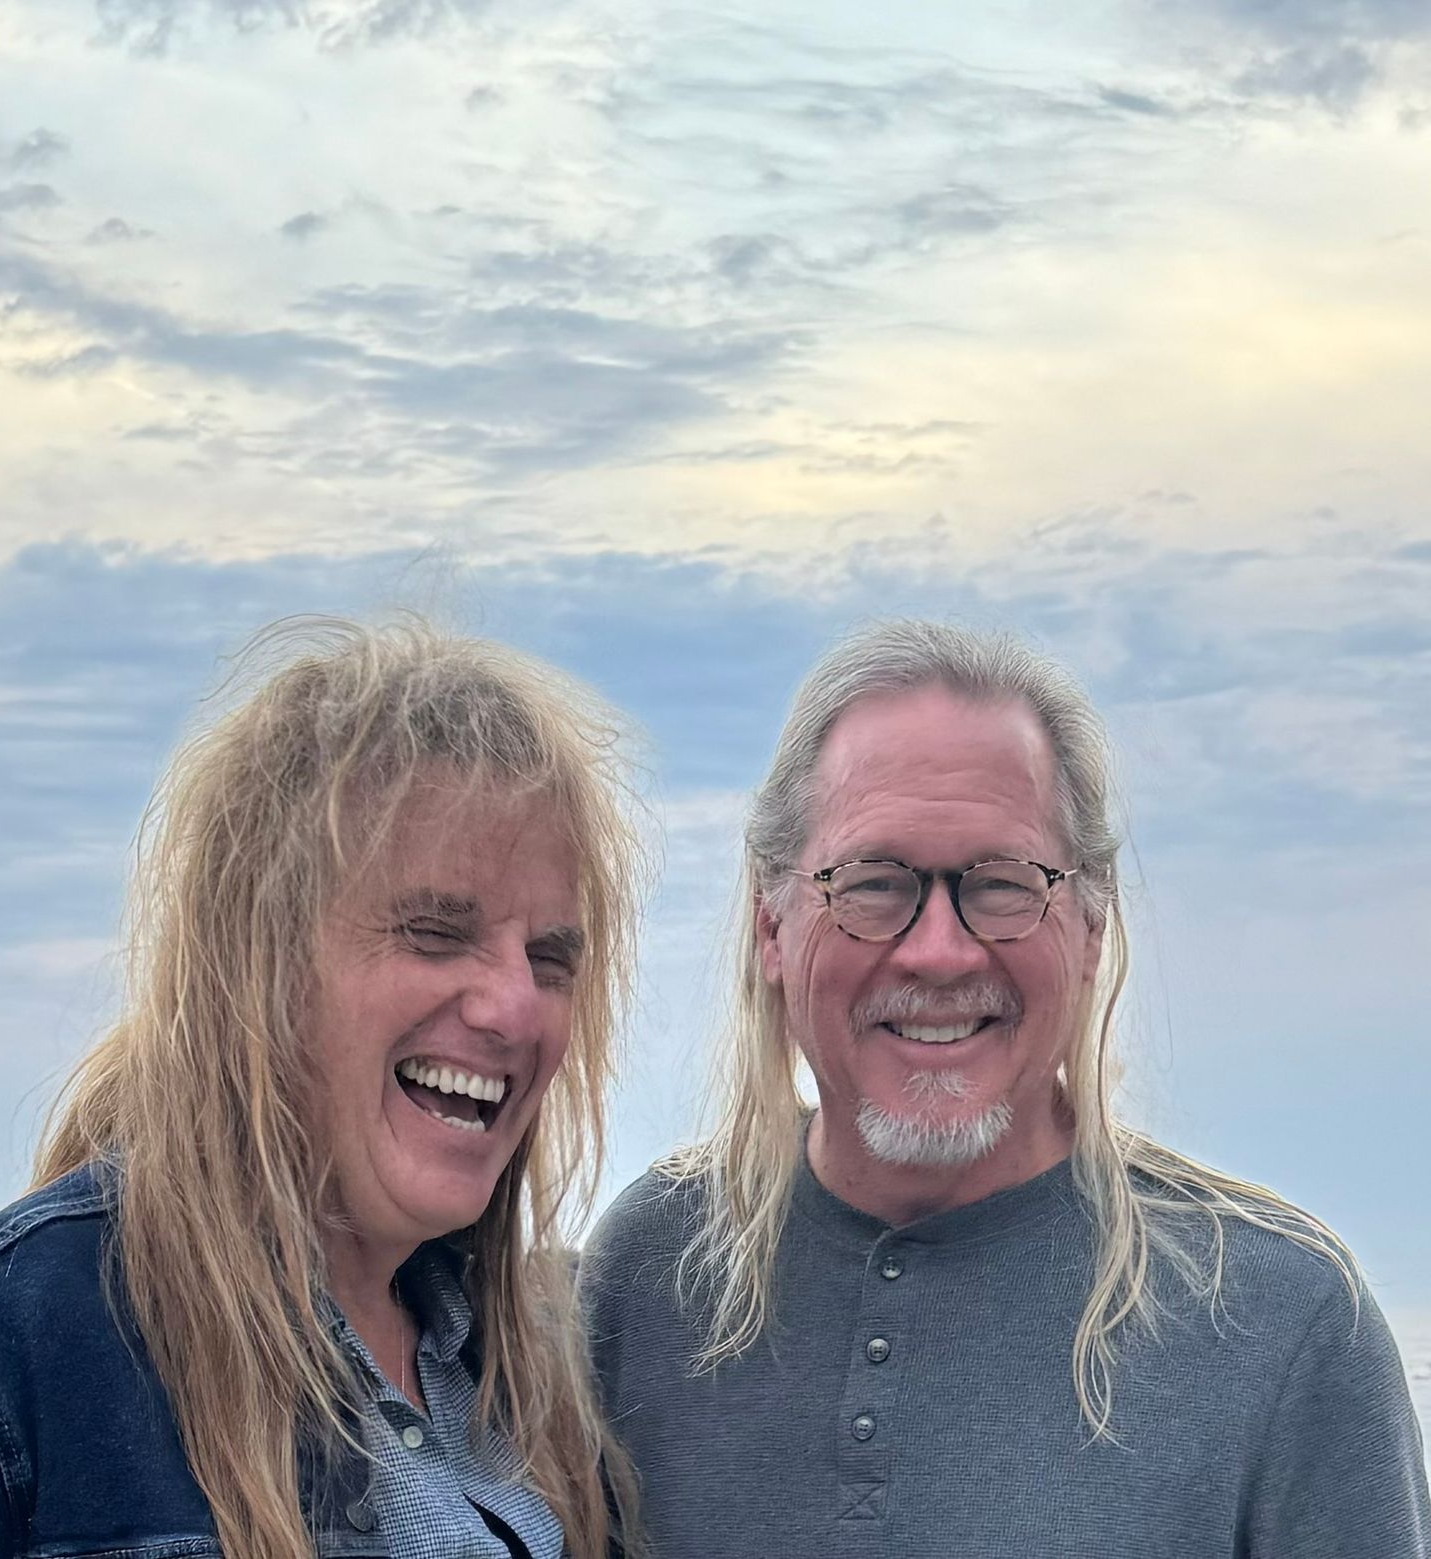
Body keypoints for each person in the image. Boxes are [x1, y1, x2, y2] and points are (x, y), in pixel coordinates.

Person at [582, 619, 1429, 1558]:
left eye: (1002, 884)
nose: (940, 951)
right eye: (872, 883)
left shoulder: (1286, 1324)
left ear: (1092, 925)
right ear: (771, 924)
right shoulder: (652, 1274)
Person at [0, 617, 645, 1559]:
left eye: (550, 958)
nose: (514, 1006)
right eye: (432, 932)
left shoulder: (537, 1390)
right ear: (255, 962)